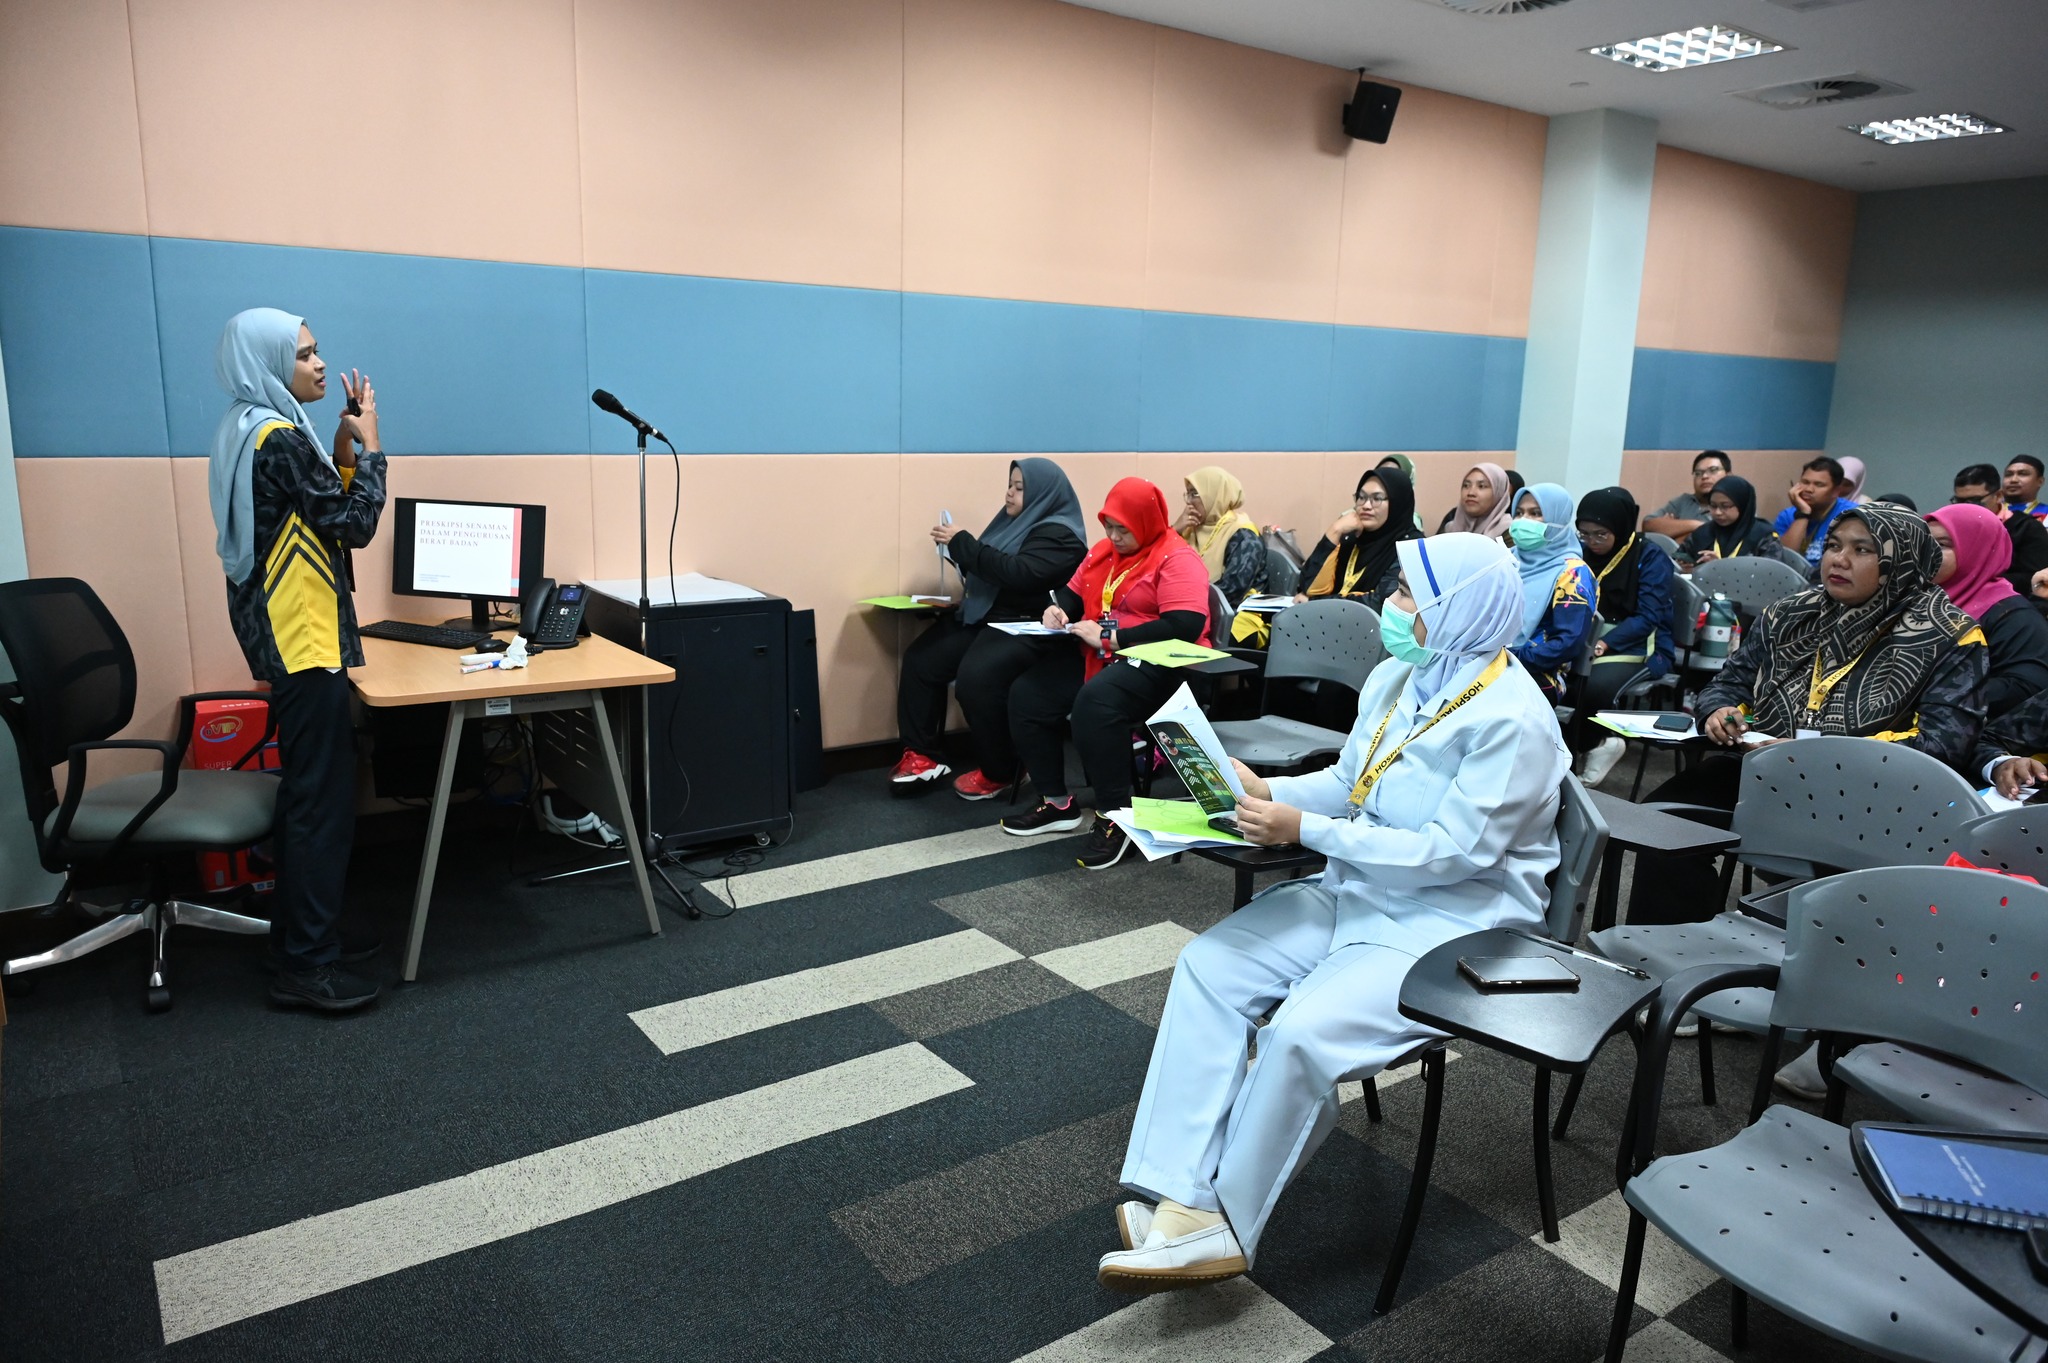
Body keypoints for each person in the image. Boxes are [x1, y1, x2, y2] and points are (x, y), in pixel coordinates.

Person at [1096, 534, 1567, 1290]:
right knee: (1209, 966)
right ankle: (1177, 1188)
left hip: (1453, 922)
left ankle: (1225, 1221)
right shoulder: (1400, 675)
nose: (1392, 605)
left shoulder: (1515, 719)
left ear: (1462, 611)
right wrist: (1271, 792)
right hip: (1360, 886)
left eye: (1411, 594)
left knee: (1299, 1033)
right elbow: (1353, 782)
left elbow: (1452, 854)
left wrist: (1304, 831)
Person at [208, 309, 386, 1013]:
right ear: (268, 360)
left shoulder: (246, 426)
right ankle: (307, 965)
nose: (319, 364)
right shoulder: (279, 437)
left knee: (305, 795)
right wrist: (373, 451)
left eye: (317, 351)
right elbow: (354, 523)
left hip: (280, 635)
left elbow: (314, 511)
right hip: (304, 639)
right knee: (320, 803)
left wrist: (340, 448)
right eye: (304, 353)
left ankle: (297, 939)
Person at [1001, 478, 1211, 870]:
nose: (1113, 537)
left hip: (1162, 663)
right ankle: (1057, 803)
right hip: (1103, 653)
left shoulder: (1176, 558)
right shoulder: (1102, 553)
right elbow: (1070, 596)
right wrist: (1055, 612)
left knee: (1096, 702)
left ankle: (1117, 817)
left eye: (1122, 529)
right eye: (1108, 526)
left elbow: (1185, 624)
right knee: (1028, 694)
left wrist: (1116, 637)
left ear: (1147, 522)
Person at [889, 459, 1088, 798]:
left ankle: (1004, 769)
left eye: (1019, 488)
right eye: (1010, 485)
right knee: (922, 660)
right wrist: (962, 559)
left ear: (1043, 494)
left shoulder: (1061, 535)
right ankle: (922, 755)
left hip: (1029, 626)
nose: (1009, 493)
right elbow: (991, 567)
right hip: (988, 618)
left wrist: (963, 544)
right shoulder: (1011, 524)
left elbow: (1020, 574)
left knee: (977, 680)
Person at [1573, 488, 1675, 785]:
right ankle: (1571, 754)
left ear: (1620, 527)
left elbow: (1649, 616)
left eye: (1600, 534)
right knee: (1557, 680)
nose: (1592, 542)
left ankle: (1599, 743)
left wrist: (1606, 642)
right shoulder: (1581, 553)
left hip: (1641, 643)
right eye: (1584, 534)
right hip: (1588, 637)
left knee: (1591, 685)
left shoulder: (1650, 556)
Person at [1925, 504, 2048, 719]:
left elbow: (2027, 687)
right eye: (1924, 542)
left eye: (1942, 544)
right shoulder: (1917, 599)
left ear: (1976, 550)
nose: (1927, 553)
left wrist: (1937, 693)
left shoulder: (2012, 615)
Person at [1507, 484, 1596, 702]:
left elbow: (1567, 642)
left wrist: (1510, 658)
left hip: (1540, 673)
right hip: (1492, 662)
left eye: (1535, 513)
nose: (1524, 520)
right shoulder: (1506, 559)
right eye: (1519, 513)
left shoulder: (1573, 574)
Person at [1952, 463, 2048, 597]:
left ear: (1998, 496)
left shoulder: (2027, 528)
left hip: (2010, 601)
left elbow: (2035, 578)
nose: (1966, 507)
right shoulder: (1950, 529)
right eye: (1959, 501)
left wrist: (1979, 581)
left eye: (1975, 501)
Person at [1176, 466, 1266, 610]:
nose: (1188, 502)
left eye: (1195, 494)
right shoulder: (1190, 528)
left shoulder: (1244, 535)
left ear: (1215, 495)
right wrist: (1174, 531)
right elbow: (1155, 564)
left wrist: (1179, 598)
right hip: (1194, 605)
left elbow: (1231, 590)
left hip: (1237, 611)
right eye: (1188, 494)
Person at [1677, 474, 1779, 568]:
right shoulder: (1703, 532)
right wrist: (1685, 565)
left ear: (1742, 506)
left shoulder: (1765, 537)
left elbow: (1770, 574)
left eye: (1725, 506)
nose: (1717, 512)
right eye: (1713, 506)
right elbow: (1678, 556)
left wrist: (1719, 568)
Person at [1773, 456, 1858, 566]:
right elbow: (1782, 560)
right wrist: (1803, 514)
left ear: (1836, 491)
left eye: (1819, 485)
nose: (1809, 489)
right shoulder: (1786, 515)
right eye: (1805, 482)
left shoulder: (1851, 515)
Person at [1643, 450, 1731, 541]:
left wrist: (1676, 529)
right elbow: (1648, 525)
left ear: (1728, 475)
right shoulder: (1683, 502)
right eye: (1698, 473)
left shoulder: (1735, 504)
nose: (1704, 476)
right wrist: (1697, 525)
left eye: (1713, 470)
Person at [1435, 462, 1513, 540]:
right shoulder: (1450, 530)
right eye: (1466, 485)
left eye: (1481, 486)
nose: (1471, 493)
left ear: (1498, 492)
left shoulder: (1510, 532)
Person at [1374, 454, 1426, 530]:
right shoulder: (1361, 511)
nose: (1385, 479)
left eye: (1393, 476)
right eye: (1381, 473)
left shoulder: (1412, 522)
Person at [2003, 455, 2046, 523]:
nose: (2013, 480)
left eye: (2022, 474)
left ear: (2040, 481)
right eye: (2008, 474)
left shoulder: (2046, 513)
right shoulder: (1991, 511)